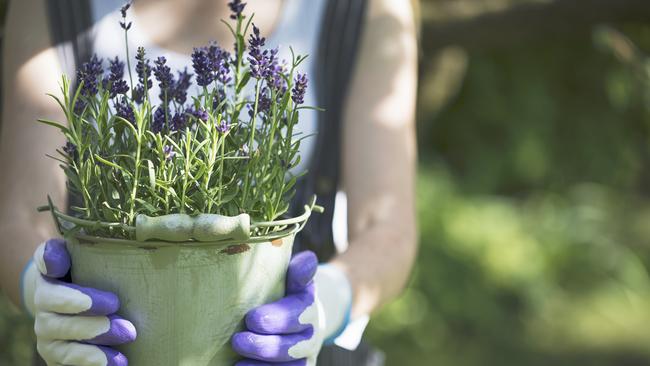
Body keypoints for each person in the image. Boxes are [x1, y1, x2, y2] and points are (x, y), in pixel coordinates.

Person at [0, 0, 418, 364]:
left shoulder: (364, 7)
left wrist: (329, 301)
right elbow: (20, 214)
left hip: (282, 356)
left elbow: (387, 226)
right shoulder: (51, 4)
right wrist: (41, 290)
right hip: (99, 348)